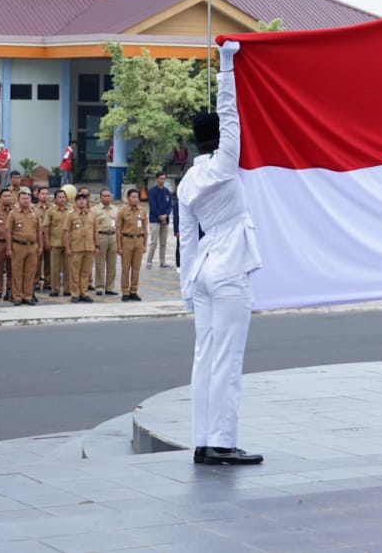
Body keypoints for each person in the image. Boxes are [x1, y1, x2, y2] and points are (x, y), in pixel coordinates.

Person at [180, 41, 264, 466]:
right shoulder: (225, 166)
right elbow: (230, 113)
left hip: (203, 272)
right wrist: (227, 64)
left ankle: (202, 439)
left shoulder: (187, 182)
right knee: (227, 361)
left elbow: (185, 239)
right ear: (219, 139)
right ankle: (223, 443)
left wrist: (185, 289)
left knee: (204, 358)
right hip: (230, 270)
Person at [6, 190, 42, 305]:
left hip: (32, 246)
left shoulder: (35, 213)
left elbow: (39, 231)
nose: (26, 201)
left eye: (28, 198)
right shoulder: (13, 214)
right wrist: (9, 249)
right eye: (23, 199)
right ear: (18, 200)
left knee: (30, 272)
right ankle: (17, 296)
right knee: (17, 272)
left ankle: (28, 295)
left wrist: (40, 246)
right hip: (18, 246)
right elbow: (8, 232)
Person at [116, 188, 148, 302]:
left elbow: (145, 229)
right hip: (126, 240)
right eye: (133, 197)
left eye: (137, 197)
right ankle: (125, 291)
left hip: (138, 240)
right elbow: (118, 230)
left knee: (136, 268)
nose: (135, 199)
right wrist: (119, 246)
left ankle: (133, 291)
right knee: (126, 268)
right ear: (128, 198)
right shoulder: (122, 211)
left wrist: (144, 244)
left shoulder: (142, 211)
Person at [64, 191, 96, 302]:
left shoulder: (92, 215)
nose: (82, 201)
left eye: (84, 199)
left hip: (89, 247)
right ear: (75, 202)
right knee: (74, 272)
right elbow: (67, 232)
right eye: (79, 199)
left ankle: (84, 292)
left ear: (87, 201)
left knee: (86, 272)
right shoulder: (71, 215)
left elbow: (95, 231)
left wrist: (96, 245)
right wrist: (67, 247)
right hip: (76, 248)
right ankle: (75, 293)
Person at [90, 188, 120, 296]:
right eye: (104, 196)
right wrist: (95, 242)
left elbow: (118, 226)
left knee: (112, 264)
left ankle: (110, 287)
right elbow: (92, 227)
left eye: (108, 196)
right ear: (100, 197)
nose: (107, 198)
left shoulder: (116, 209)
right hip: (101, 236)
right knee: (99, 263)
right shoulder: (94, 210)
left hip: (112, 236)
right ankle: (99, 286)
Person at [146, 172, 173, 269]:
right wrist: (160, 216)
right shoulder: (152, 191)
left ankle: (162, 261)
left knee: (163, 242)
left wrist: (166, 215)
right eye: (161, 178)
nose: (162, 180)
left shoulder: (167, 192)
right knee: (154, 242)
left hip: (165, 221)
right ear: (157, 179)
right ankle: (149, 261)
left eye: (164, 178)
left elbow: (169, 205)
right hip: (155, 220)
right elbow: (153, 206)